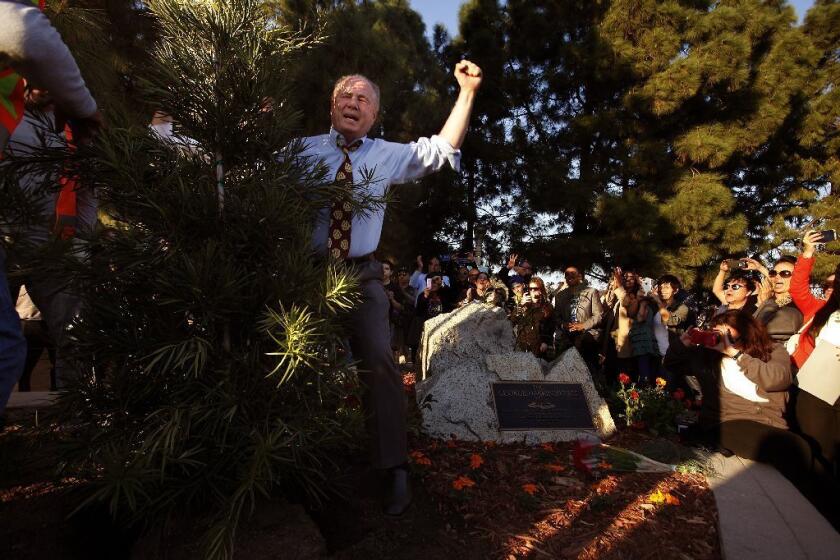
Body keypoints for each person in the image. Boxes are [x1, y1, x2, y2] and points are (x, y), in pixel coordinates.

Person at [297, 60, 482, 515]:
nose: (353, 103)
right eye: (346, 95)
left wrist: (468, 92)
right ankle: (295, 463)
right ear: (332, 106)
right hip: (303, 273)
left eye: (363, 99)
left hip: (361, 275)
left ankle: (393, 467)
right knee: (293, 360)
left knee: (380, 361)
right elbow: (247, 172)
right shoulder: (299, 151)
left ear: (374, 115)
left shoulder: (384, 154)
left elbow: (440, 150)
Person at [0, 0, 101, 415]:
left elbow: (90, 190)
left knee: (76, 333)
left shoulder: (71, 130)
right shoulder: (11, 118)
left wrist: (83, 244)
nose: (40, 84)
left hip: (52, 248)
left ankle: (79, 413)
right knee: (8, 339)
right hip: (5, 238)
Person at [663, 310, 813, 486]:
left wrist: (736, 355)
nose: (723, 341)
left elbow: (777, 380)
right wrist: (682, 344)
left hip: (772, 422)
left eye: (729, 336)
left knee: (804, 451)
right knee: (793, 448)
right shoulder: (707, 357)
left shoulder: (772, 351)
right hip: (728, 421)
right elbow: (671, 364)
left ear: (748, 334)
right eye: (717, 334)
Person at [789, 231, 840, 477]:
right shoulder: (819, 309)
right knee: (810, 446)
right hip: (808, 387)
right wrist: (808, 252)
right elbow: (798, 288)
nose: (831, 289)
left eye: (836, 284)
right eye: (828, 285)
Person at [553, 265, 603, 370]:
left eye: (573, 274)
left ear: (579, 276)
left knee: (587, 361)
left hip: (587, 333)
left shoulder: (591, 292)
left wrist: (583, 325)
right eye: (567, 274)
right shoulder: (560, 296)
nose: (569, 276)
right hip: (567, 333)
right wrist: (564, 325)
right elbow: (556, 317)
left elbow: (598, 315)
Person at [751, 256, 803, 343]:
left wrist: (765, 304)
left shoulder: (793, 310)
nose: (777, 277)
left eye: (785, 273)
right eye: (773, 273)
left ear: (797, 278)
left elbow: (756, 336)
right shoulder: (769, 301)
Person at [512, 276, 555, 359]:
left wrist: (546, 341)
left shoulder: (547, 306)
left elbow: (551, 326)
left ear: (541, 289)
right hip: (522, 345)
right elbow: (513, 320)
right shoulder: (524, 304)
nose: (532, 291)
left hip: (539, 347)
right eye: (530, 288)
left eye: (535, 288)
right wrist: (520, 304)